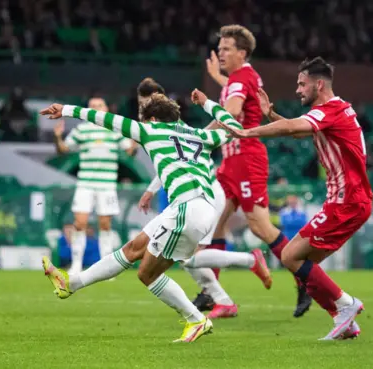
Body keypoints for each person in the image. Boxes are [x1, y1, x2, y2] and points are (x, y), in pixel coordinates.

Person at [40, 92, 271, 342]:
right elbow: (234, 126)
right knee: (133, 248)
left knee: (147, 274)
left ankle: (196, 319)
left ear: (151, 119)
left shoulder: (150, 131)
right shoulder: (199, 135)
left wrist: (67, 110)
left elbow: (106, 119)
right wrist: (206, 104)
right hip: (194, 207)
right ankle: (70, 284)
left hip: (187, 209)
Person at [217, 56, 372, 340]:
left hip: (346, 200)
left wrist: (248, 131)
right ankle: (343, 316)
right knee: (300, 263)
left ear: (319, 84)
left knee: (291, 256)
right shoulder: (335, 112)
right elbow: (299, 131)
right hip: (348, 200)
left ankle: (346, 305)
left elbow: (292, 129)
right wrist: (273, 116)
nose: (298, 90)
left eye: (302, 84)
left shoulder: (331, 110)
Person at [203, 24, 311, 317]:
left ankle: (305, 279)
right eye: (220, 48)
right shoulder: (242, 77)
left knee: (259, 226)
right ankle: (211, 292)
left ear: (242, 52)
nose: (221, 53)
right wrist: (218, 78)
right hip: (231, 160)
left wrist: (199, 137)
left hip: (247, 159)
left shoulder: (241, 79)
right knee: (213, 222)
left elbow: (232, 111)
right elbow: (234, 91)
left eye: (226, 49)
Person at [135, 78, 236, 318]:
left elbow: (176, 159)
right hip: (185, 193)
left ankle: (225, 291)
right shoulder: (163, 124)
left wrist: (150, 190)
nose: (143, 109)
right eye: (141, 104)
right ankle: (214, 295)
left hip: (201, 193)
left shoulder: (170, 123)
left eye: (147, 103)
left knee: (189, 254)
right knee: (183, 254)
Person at [53, 96, 137, 274]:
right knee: (79, 223)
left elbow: (130, 152)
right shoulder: (81, 130)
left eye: (99, 105)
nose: (96, 108)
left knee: (105, 225)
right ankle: (76, 265)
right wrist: (58, 137)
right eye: (92, 106)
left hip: (107, 186)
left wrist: (135, 141)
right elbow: (63, 150)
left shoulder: (113, 130)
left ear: (106, 109)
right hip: (85, 185)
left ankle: (105, 267)